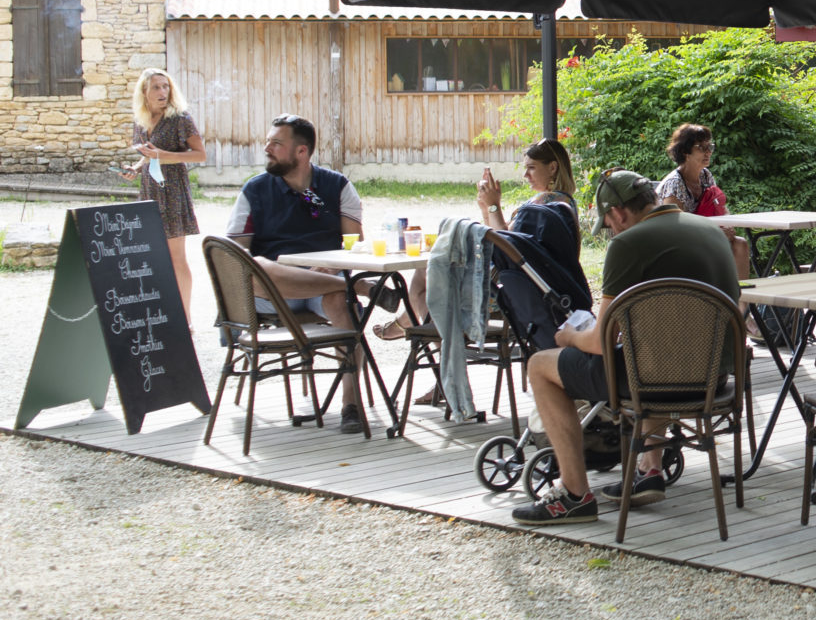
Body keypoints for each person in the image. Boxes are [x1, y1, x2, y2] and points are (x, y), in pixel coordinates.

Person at [513, 169, 741, 524]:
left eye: (607, 224)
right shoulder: (711, 231)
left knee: (541, 366)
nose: (611, 232)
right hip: (717, 378)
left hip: (656, 381)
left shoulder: (627, 244)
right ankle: (650, 470)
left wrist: (569, 336)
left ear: (618, 212)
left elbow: (600, 342)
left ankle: (574, 493)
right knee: (658, 348)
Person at [224, 115, 377, 433]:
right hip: (272, 292)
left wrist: (334, 266)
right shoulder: (255, 191)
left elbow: (353, 245)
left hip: (322, 287)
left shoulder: (334, 188)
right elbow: (234, 255)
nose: (266, 148)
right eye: (268, 141)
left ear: (302, 152)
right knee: (259, 269)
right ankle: (358, 286)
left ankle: (351, 403)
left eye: (276, 143)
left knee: (340, 300)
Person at [375, 137, 592, 345]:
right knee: (428, 279)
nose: (525, 175)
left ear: (553, 168)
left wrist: (494, 206)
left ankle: (432, 351)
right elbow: (504, 237)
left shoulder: (545, 204)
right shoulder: (560, 203)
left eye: (532, 168)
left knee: (428, 273)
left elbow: (507, 247)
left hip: (504, 290)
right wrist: (486, 208)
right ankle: (415, 331)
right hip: (522, 286)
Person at [124, 68, 205, 326]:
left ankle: (186, 319)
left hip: (172, 192)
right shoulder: (141, 120)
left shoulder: (181, 118)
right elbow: (147, 153)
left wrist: (164, 155)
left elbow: (200, 155)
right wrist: (135, 168)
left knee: (176, 257)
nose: (162, 92)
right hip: (149, 191)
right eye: (156, 87)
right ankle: (162, 315)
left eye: (166, 86)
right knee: (154, 256)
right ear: (144, 93)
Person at [657, 123, 749, 280]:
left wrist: (727, 226)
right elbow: (673, 227)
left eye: (710, 147)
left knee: (741, 244)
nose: (708, 152)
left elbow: (719, 205)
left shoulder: (705, 175)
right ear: (685, 151)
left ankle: (740, 303)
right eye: (701, 147)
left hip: (703, 236)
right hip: (678, 244)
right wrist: (715, 231)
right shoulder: (674, 183)